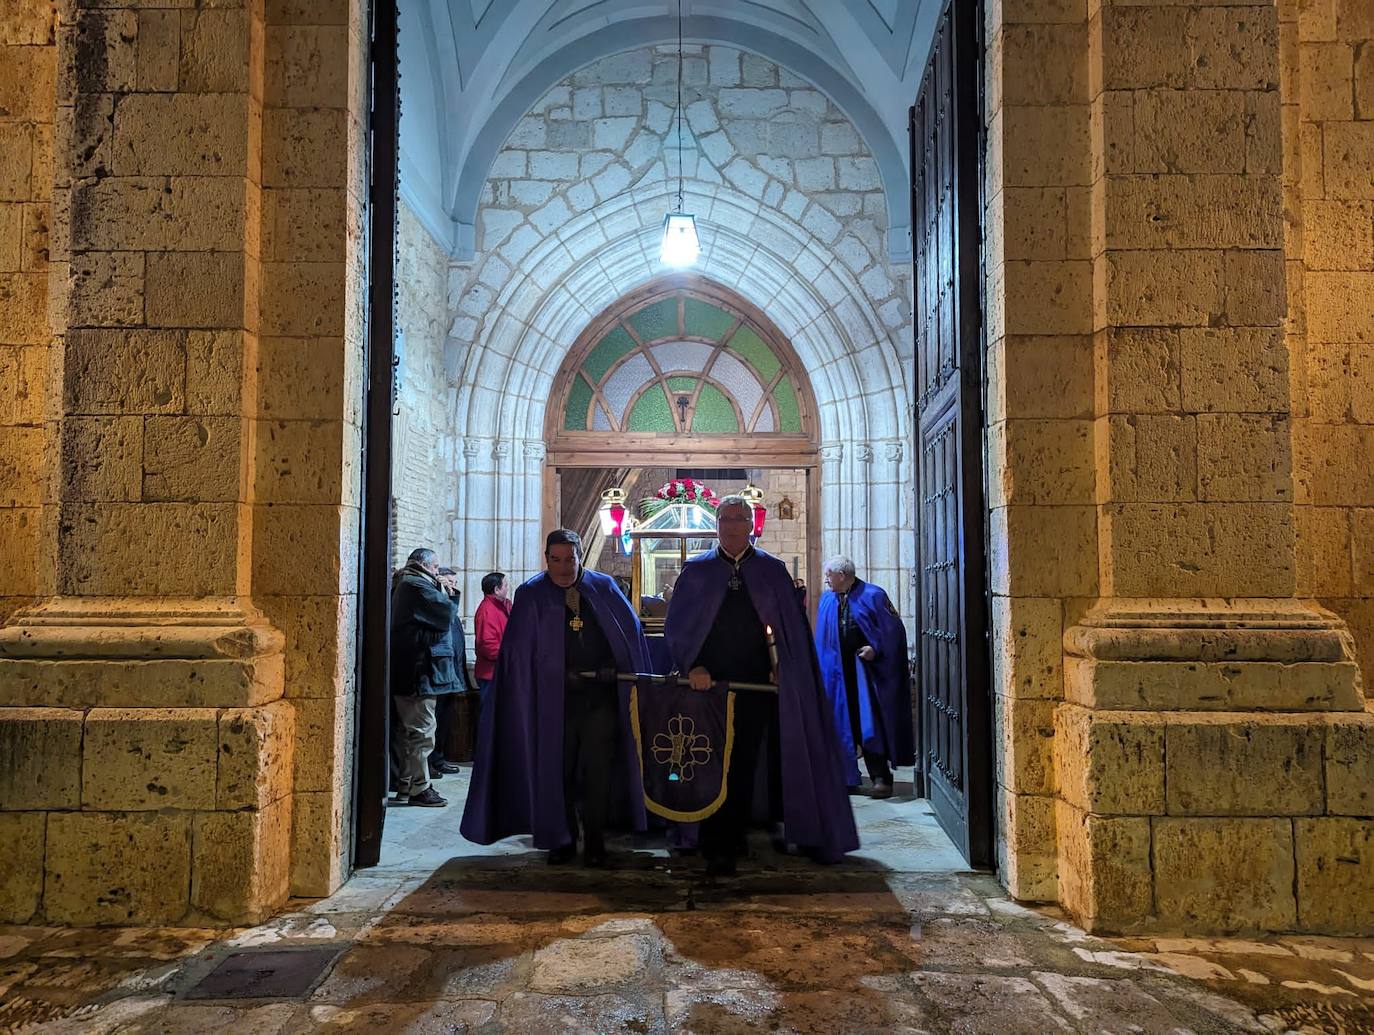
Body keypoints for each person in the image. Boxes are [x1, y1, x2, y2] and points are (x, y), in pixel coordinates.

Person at [664, 496, 858, 875]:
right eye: (726, 519)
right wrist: (694, 664)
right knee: (709, 760)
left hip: (758, 686)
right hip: (708, 688)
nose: (733, 525)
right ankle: (712, 837)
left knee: (745, 761)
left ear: (751, 524)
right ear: (716, 525)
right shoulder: (697, 571)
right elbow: (680, 628)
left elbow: (790, 632)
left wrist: (784, 666)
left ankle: (737, 834)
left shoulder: (771, 571)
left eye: (740, 518)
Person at [461, 530, 651, 866]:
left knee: (597, 772)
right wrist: (553, 675)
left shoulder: (604, 587)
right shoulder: (532, 594)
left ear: (580, 556)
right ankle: (562, 837)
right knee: (557, 771)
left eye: (570, 559)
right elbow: (517, 657)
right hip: (552, 706)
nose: (563, 567)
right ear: (546, 558)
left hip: (599, 702)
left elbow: (628, 639)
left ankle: (595, 841)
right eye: (556, 559)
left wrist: (610, 667)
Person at [816, 556, 914, 799]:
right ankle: (844, 776)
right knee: (840, 723)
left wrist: (875, 648)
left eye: (829, 575)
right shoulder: (828, 599)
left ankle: (881, 778)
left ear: (842, 575)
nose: (826, 579)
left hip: (866, 674)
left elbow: (894, 631)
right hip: (837, 675)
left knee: (870, 725)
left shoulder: (874, 595)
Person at [389, 547, 457, 807]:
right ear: (426, 565)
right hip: (417, 672)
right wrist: (446, 593)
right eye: (437, 568)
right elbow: (445, 612)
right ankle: (420, 788)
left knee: (411, 734)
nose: (439, 573)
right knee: (422, 733)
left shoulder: (405, 583)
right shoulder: (416, 585)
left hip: (410, 671)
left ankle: (407, 784)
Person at [428, 567, 476, 778]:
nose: (452, 586)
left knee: (445, 721)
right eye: (448, 582)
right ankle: (430, 763)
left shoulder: (450, 609)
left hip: (452, 673)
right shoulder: (436, 608)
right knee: (433, 723)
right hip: (439, 673)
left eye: (454, 583)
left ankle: (439, 759)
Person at [473, 570, 511, 709]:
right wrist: (511, 653)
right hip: (490, 674)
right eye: (506, 585)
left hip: (499, 672)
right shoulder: (487, 611)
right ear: (496, 589)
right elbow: (488, 646)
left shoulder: (502, 607)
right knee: (490, 717)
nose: (508, 588)